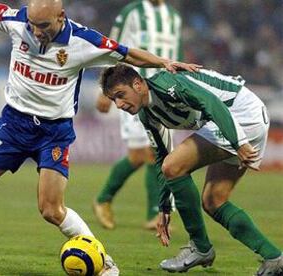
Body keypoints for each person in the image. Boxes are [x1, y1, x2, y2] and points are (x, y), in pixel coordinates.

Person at [0, 1, 200, 274]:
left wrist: (163, 62)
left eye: (43, 26)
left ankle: (103, 261)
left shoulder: (84, 41)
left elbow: (127, 53)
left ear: (61, 18)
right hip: (14, 123)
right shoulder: (19, 22)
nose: (36, 31)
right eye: (32, 25)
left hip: (53, 132)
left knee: (51, 209)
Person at [99, 64, 283, 275]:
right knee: (214, 201)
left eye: (121, 95)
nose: (119, 104)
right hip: (241, 119)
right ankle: (274, 257)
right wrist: (164, 207)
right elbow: (162, 158)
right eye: (114, 100)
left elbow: (211, 102)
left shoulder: (166, 84)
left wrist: (238, 142)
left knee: (175, 166)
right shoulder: (147, 116)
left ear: (138, 84)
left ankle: (200, 247)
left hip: (239, 114)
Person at [93, 0, 183, 230]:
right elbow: (111, 47)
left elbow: (176, 54)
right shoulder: (131, 12)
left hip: (163, 93)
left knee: (147, 154)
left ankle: (105, 199)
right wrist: (105, 90)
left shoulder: (174, 17)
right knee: (147, 154)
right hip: (132, 93)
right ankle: (150, 212)